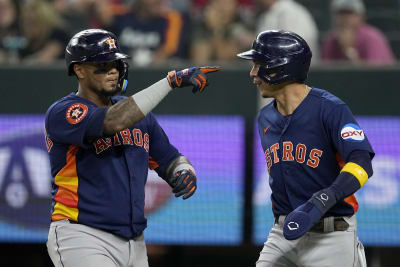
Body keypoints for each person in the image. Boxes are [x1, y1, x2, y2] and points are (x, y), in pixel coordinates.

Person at [45, 28, 220, 267]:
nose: (113, 71)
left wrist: (184, 170)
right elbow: (114, 121)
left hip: (134, 241)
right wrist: (169, 82)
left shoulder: (137, 114)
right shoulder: (64, 111)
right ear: (79, 69)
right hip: (81, 234)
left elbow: (169, 158)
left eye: (116, 64)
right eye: (103, 65)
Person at [237, 30, 374, 267]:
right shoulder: (265, 118)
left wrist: (323, 198)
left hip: (331, 235)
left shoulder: (330, 108)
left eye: (258, 65)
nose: (252, 74)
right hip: (283, 233)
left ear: (278, 67)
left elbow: (362, 162)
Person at [111, 0, 188, 66]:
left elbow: (169, 49)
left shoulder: (171, 18)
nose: (158, 1)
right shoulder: (121, 15)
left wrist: (149, 60)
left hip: (154, 74)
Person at [322, 0, 395, 65]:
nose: (345, 18)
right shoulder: (331, 40)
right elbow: (326, 75)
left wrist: (349, 50)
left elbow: (373, 76)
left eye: (350, 13)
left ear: (361, 16)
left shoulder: (372, 38)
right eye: (341, 13)